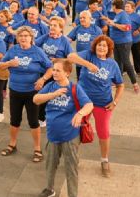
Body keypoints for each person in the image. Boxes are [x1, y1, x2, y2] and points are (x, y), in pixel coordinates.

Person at [34, 59, 94, 197]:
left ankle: (72, 194)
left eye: (57, 70)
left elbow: (89, 105)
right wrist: (54, 94)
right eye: (53, 70)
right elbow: (36, 99)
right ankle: (49, 189)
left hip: (70, 135)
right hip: (52, 134)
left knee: (71, 168)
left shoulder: (74, 88)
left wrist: (80, 113)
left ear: (67, 73)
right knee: (50, 165)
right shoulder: (51, 86)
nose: (54, 72)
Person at [67, 35, 123, 177]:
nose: (101, 47)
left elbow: (120, 84)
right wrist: (87, 64)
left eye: (104, 46)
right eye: (99, 45)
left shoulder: (112, 64)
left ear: (109, 49)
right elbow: (70, 56)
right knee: (76, 128)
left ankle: (104, 160)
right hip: (83, 100)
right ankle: (74, 158)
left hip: (103, 103)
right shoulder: (88, 55)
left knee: (103, 132)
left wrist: (115, 101)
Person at [0, 26, 53, 163]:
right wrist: (10, 63)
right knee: (14, 120)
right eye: (21, 35)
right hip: (15, 90)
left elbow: (50, 67)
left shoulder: (37, 51)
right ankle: (12, 144)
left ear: (31, 38)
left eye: (26, 36)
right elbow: (0, 65)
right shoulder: (13, 50)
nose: (23, 38)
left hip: (32, 92)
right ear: (17, 38)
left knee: (33, 121)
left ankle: (37, 148)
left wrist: (43, 79)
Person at [102, 0, 140, 93]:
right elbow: (116, 23)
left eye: (112, 6)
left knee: (126, 62)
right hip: (117, 42)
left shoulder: (123, 15)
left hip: (123, 42)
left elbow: (127, 27)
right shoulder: (118, 15)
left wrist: (114, 24)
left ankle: (134, 83)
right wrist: (108, 20)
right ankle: (118, 82)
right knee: (118, 62)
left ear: (114, 6)